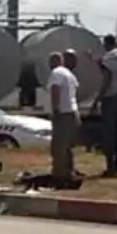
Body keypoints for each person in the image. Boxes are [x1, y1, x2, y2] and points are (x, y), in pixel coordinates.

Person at [95, 34, 117, 177]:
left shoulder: (110, 58)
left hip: (111, 98)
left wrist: (98, 97)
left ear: (106, 44)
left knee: (109, 134)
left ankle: (111, 167)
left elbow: (107, 78)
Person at [47, 51, 80, 184]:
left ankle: (59, 175)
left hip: (63, 112)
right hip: (73, 111)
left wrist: (55, 109)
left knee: (58, 146)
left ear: (55, 61)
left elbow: (56, 89)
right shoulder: (69, 74)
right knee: (67, 146)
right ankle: (69, 171)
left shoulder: (57, 73)